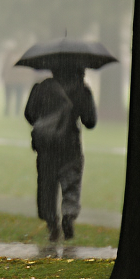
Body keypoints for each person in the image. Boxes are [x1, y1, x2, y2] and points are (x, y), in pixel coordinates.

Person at [24, 65, 97, 242]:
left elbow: (30, 114)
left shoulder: (41, 89)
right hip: (70, 146)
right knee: (71, 183)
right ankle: (69, 215)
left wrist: (48, 119)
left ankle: (51, 222)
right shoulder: (82, 91)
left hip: (47, 147)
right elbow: (90, 121)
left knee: (46, 185)